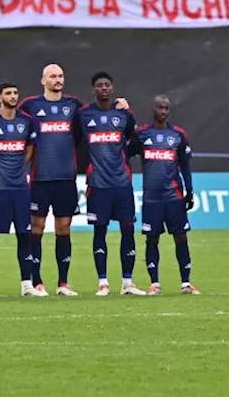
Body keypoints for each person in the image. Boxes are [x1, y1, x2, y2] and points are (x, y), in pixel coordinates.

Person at [14, 65, 85, 296]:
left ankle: (63, 284)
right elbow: (10, 115)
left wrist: (119, 107)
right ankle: (37, 281)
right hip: (40, 178)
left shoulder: (73, 105)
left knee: (63, 228)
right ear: (43, 80)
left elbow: (94, 116)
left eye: (61, 76)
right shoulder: (31, 105)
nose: (58, 79)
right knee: (38, 227)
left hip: (66, 178)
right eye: (53, 76)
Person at [75, 72, 147, 296]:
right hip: (97, 185)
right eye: (99, 85)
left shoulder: (123, 116)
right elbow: (75, 142)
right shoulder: (83, 115)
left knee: (128, 231)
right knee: (100, 232)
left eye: (107, 85)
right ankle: (103, 282)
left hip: (122, 184)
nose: (104, 88)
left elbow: (134, 141)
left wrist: (128, 110)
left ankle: (128, 283)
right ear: (93, 89)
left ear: (112, 89)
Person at [0, 83, 43, 298]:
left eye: (15, 92)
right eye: (8, 93)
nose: (13, 96)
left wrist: (19, 167)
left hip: (20, 188)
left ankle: (26, 285)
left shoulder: (27, 121)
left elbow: (31, 147)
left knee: (24, 235)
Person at [132, 96, 200, 295]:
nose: (163, 111)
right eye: (159, 108)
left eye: (166, 108)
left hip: (174, 197)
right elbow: (125, 153)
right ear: (152, 109)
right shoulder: (142, 134)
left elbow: (185, 166)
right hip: (152, 198)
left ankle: (186, 283)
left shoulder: (178, 135)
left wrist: (190, 191)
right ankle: (155, 283)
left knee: (181, 238)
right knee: (152, 239)